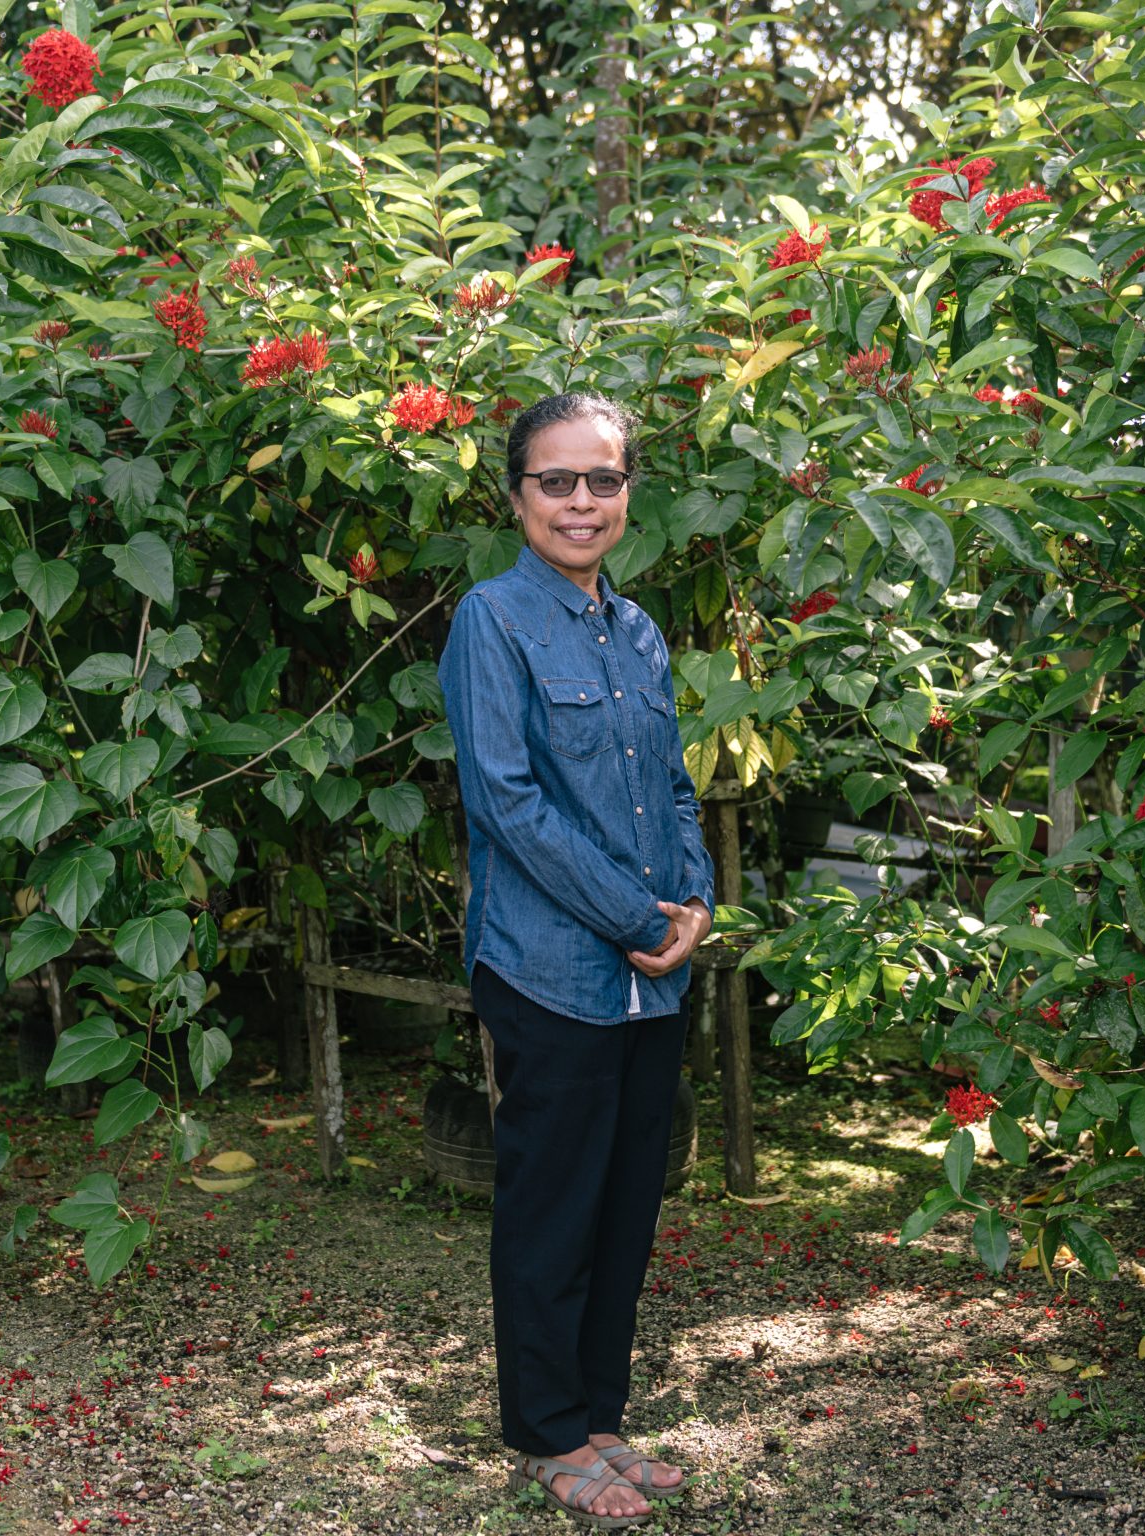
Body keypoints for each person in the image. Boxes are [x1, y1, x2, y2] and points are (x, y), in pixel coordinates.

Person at [437, 391, 716, 1528]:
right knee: (552, 1213)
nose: (582, 501)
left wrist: (694, 902)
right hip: (549, 968)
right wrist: (634, 918)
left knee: (624, 1207)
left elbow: (674, 787)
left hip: (652, 975)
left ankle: (599, 1417)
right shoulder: (491, 620)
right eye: (556, 481)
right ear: (517, 496)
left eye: (603, 479)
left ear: (627, 492)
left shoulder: (639, 631)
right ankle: (549, 1434)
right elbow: (505, 803)